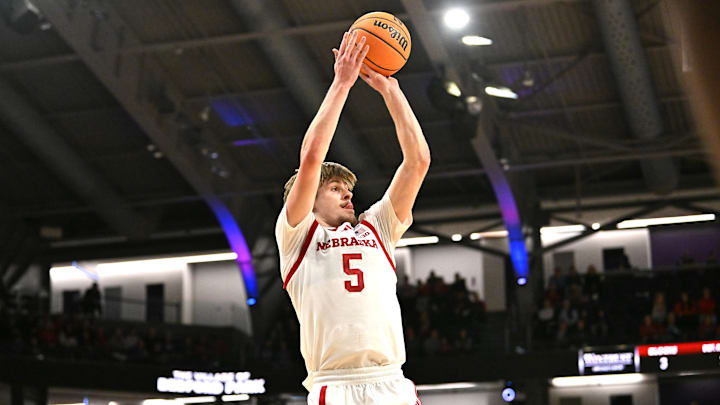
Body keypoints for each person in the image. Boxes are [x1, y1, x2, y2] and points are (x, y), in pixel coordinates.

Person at [275, 30, 430, 405]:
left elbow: (418, 161)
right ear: (309, 199)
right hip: (336, 384)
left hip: (391, 381)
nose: (348, 195)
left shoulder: (377, 228)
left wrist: (391, 92)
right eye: (335, 188)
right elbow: (311, 158)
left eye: (348, 189)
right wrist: (342, 83)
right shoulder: (297, 236)